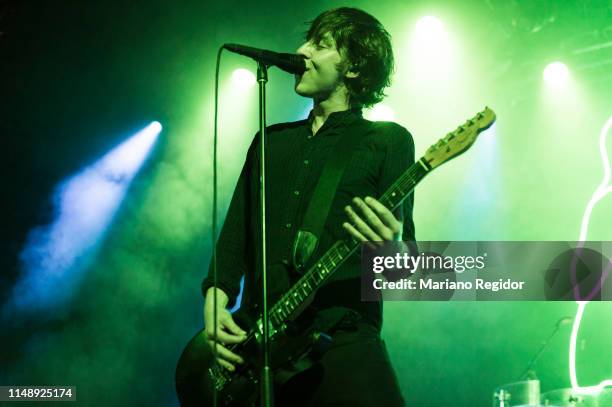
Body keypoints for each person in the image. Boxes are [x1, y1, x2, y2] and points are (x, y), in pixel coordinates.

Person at [202, 7, 415, 406]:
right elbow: (234, 237)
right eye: (307, 40)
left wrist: (392, 247)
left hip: (343, 339)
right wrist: (214, 303)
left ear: (353, 67)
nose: (302, 51)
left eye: (321, 44)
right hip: (260, 346)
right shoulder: (270, 141)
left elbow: (403, 268)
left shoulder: (386, 141)